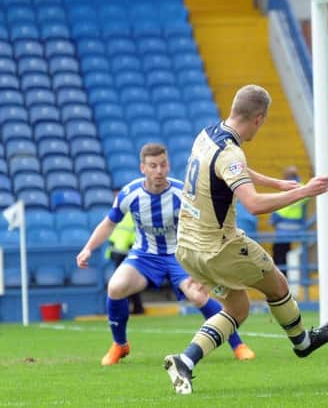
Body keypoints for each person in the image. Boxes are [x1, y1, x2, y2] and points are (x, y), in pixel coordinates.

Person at [163, 84, 328, 395]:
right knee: (278, 285)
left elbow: (234, 171)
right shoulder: (231, 152)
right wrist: (304, 192)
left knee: (237, 307)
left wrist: (279, 184)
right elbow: (254, 204)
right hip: (219, 247)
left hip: (187, 248)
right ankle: (303, 342)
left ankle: (185, 362)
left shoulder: (207, 134)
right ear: (259, 119)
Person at [76, 143, 255, 366]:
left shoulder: (183, 193)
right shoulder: (130, 194)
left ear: (168, 165)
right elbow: (108, 223)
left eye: (162, 165)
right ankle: (119, 345)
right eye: (153, 166)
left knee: (199, 296)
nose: (158, 171)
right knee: (115, 287)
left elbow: (205, 223)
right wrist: (88, 248)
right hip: (144, 256)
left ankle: (238, 344)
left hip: (180, 256)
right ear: (143, 168)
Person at [104, 207, 145, 314]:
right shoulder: (134, 216)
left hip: (122, 253)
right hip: (126, 253)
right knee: (126, 282)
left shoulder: (118, 216)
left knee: (124, 282)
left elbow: (112, 236)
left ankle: (134, 307)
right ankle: (136, 307)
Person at [269, 165, 307, 277]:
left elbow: (281, 208)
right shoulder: (303, 188)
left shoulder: (288, 188)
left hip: (284, 229)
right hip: (297, 227)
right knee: (285, 255)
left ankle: (281, 278)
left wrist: (273, 218)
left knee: (279, 256)